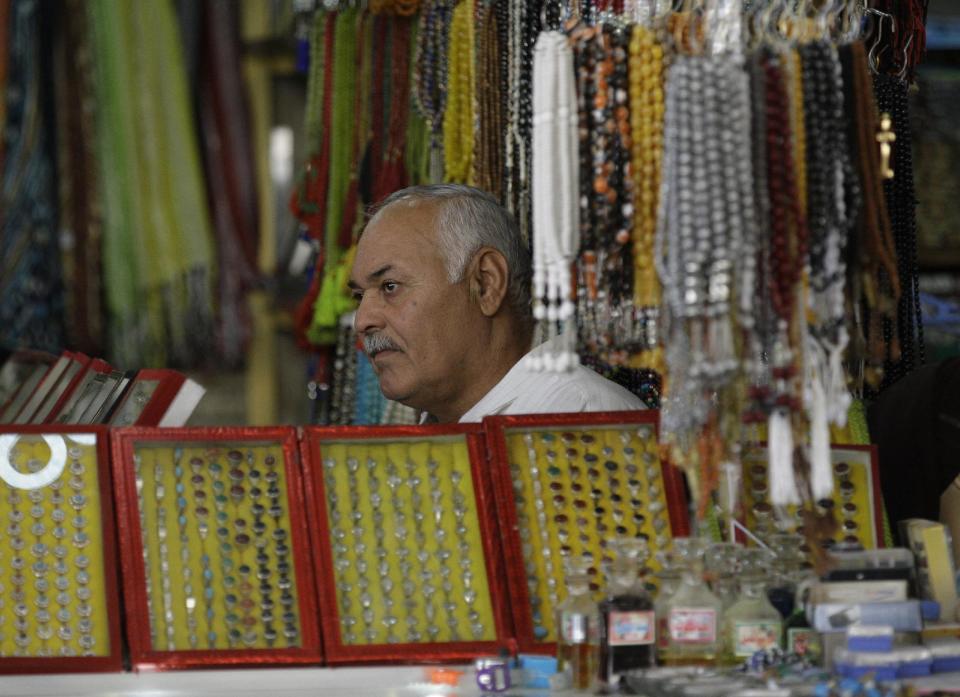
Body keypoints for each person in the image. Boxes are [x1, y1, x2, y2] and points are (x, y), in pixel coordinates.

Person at [348, 184, 645, 423]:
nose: (362, 322)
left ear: (486, 283)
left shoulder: (583, 420)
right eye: (360, 296)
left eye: (390, 287)